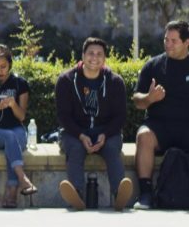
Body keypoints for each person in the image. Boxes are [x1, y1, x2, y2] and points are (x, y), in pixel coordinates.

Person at [132, 20, 189, 209]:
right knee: (143, 137)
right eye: (166, 40)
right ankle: (146, 195)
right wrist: (150, 98)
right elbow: (137, 100)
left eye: (174, 41)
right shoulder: (153, 65)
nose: (168, 44)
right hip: (159, 127)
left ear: (186, 43)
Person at [55, 36, 132, 211]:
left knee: (113, 148)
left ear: (105, 58)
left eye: (99, 54)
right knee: (75, 148)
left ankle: (118, 194)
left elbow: (120, 116)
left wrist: (104, 135)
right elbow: (63, 116)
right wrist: (81, 136)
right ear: (82, 55)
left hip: (106, 131)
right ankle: (77, 195)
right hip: (75, 131)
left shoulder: (115, 82)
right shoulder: (66, 80)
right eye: (90, 53)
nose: (94, 58)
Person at [0, 44, 38, 208]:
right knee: (11, 137)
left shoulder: (20, 84)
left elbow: (22, 116)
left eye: (3, 66)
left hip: (15, 130)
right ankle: (21, 180)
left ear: (10, 64)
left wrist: (12, 104)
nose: (0, 71)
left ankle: (12, 191)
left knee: (14, 137)